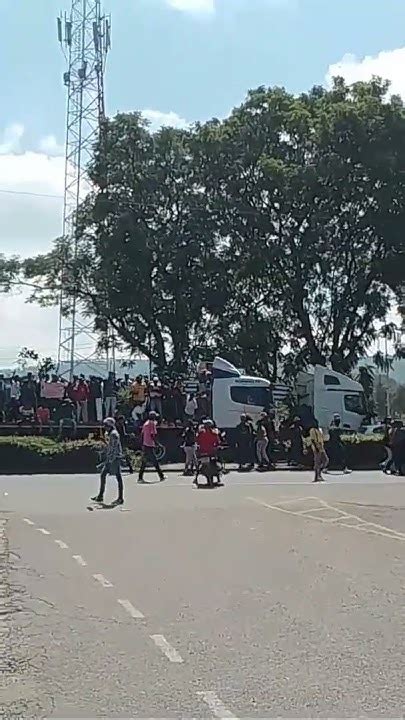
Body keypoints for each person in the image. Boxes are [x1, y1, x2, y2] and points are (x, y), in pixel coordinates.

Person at [92, 417, 124, 505]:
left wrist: (110, 459)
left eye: (106, 425)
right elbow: (109, 446)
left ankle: (120, 498)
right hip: (110, 457)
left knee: (118, 477)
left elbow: (114, 448)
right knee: (103, 475)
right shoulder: (109, 433)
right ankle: (100, 496)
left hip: (115, 457)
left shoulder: (114, 434)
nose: (104, 427)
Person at [138, 411, 166, 483]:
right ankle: (161, 476)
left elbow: (142, 434)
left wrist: (142, 444)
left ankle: (140, 477)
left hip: (145, 444)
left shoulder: (145, 423)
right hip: (149, 445)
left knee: (144, 462)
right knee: (155, 461)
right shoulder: (152, 424)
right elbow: (153, 435)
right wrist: (158, 444)